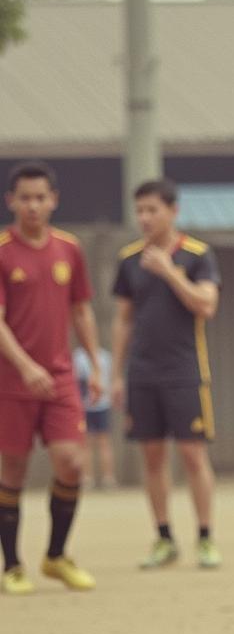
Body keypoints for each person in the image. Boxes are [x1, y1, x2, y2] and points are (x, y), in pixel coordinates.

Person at [0, 161, 102, 594]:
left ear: (54, 200)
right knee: (14, 469)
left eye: (41, 197)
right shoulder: (2, 251)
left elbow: (81, 308)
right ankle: (13, 565)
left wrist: (95, 364)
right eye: (25, 198)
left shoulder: (70, 249)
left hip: (60, 377)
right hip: (11, 379)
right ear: (11, 202)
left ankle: (56, 556)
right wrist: (25, 366)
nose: (33, 205)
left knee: (72, 462)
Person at [111, 178, 223, 569]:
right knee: (152, 457)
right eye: (139, 210)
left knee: (193, 456)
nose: (144, 217)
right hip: (142, 374)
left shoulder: (197, 255)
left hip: (185, 371)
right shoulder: (128, 260)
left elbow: (206, 305)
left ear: (173, 211)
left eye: (151, 210)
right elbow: (123, 321)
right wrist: (116, 375)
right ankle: (163, 538)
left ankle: (205, 538)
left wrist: (168, 271)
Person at [73, 344, 117, 488]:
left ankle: (93, 479)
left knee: (92, 444)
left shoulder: (79, 357)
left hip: (93, 405)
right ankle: (104, 479)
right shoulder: (105, 357)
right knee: (96, 444)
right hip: (92, 406)